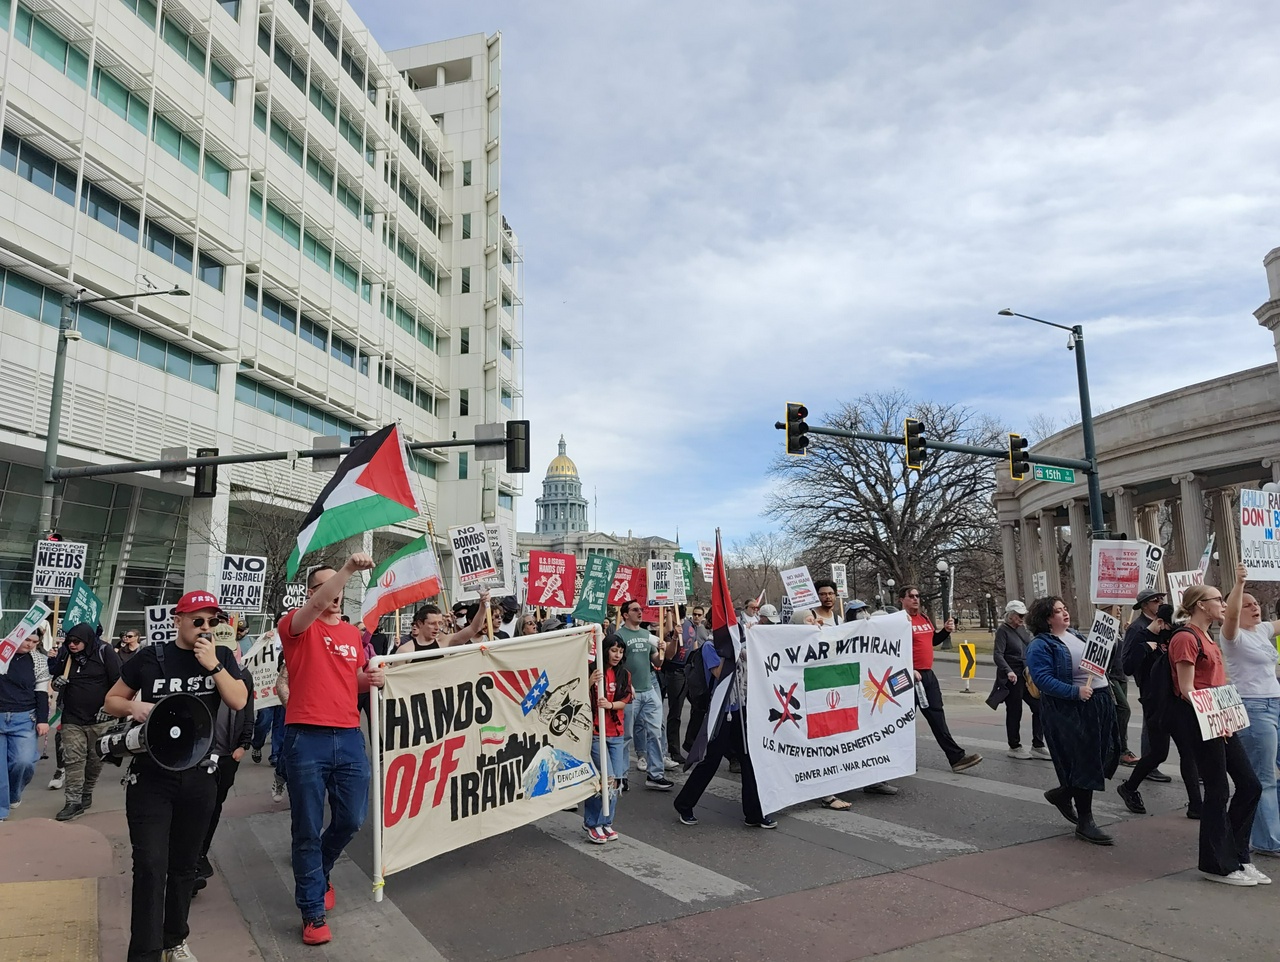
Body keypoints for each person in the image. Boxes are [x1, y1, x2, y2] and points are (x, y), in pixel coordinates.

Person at [104, 589, 248, 962]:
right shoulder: (152, 657)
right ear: (178, 620)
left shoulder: (222, 657)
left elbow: (238, 700)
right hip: (152, 775)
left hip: (199, 774)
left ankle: (174, 941)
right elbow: (111, 700)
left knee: (185, 864)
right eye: (197, 620)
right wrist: (135, 706)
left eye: (212, 622)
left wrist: (214, 665)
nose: (205, 627)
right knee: (151, 864)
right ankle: (145, 952)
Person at [277, 555, 386, 945]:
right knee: (306, 827)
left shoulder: (352, 636)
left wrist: (369, 677)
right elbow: (317, 606)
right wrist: (347, 570)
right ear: (311, 593)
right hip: (306, 738)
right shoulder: (294, 625)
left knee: (352, 820)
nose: (335, 595)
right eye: (328, 588)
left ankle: (319, 870)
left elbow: (350, 681)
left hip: (349, 737)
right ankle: (312, 911)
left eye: (340, 590)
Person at [1167, 583, 1265, 885]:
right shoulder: (1185, 638)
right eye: (1217, 599)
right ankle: (1216, 864)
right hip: (1201, 720)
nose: (1223, 604)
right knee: (1218, 790)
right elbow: (1186, 689)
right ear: (1200, 605)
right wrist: (1214, 716)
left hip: (1220, 717)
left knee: (1250, 785)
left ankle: (1236, 855)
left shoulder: (1207, 637)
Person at [1025, 596, 1121, 846]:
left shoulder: (1076, 635)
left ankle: (1062, 793)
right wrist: (1074, 692)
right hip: (1071, 708)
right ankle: (1085, 821)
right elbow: (1043, 679)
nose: (1065, 613)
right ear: (1046, 618)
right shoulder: (1041, 645)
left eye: (1065, 608)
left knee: (1106, 755)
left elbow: (1101, 662)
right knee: (1084, 761)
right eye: (1058, 611)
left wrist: (1112, 636)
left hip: (1099, 700)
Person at [674, 623, 774, 828]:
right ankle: (684, 804)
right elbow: (719, 673)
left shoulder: (741, 646)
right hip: (720, 710)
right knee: (711, 760)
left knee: (749, 759)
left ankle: (754, 813)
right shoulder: (711, 647)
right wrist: (732, 654)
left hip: (741, 708)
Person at [1116, 602, 1203, 819]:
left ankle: (1196, 805)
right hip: (1155, 702)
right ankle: (1129, 787)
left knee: (1188, 751)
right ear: (1160, 622)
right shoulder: (1138, 633)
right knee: (1157, 754)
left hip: (1177, 701)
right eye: (1169, 626)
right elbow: (1127, 667)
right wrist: (1146, 645)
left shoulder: (1176, 635)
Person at [1221, 563, 1280, 857]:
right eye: (1247, 605)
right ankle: (1267, 841)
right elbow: (1230, 615)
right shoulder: (1233, 637)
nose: (1254, 607)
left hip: (1276, 703)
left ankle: (1275, 830)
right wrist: (1239, 583)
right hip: (1254, 709)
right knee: (1264, 776)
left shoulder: (1261, 631)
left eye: (1256, 603)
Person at [901, 585, 982, 773]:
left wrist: (945, 631)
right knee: (904, 721)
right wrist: (908, 668)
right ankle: (901, 759)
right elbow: (893, 649)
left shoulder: (924, 618)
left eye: (917, 596)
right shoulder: (900, 621)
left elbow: (932, 641)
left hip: (927, 676)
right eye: (911, 596)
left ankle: (956, 758)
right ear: (902, 600)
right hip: (908, 676)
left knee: (938, 718)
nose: (915, 599)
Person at [192, 662, 255, 897]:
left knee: (214, 806)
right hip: (198, 755)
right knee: (199, 807)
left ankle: (199, 854)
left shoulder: (242, 674)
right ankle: (192, 863)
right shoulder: (194, 669)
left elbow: (247, 708)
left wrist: (244, 744)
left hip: (228, 755)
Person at [49, 623, 121, 821]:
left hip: (101, 719)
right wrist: (57, 683)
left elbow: (120, 682)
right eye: (69, 641)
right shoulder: (66, 655)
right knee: (73, 759)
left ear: (87, 641)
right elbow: (55, 679)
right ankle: (72, 801)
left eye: (76, 641)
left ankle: (87, 791)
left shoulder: (104, 652)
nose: (72, 645)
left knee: (95, 759)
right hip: (72, 717)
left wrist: (110, 708)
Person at [616, 600, 672, 791]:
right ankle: (621, 776)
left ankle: (655, 774)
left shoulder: (647, 635)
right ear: (625, 614)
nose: (640, 612)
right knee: (625, 737)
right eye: (635, 610)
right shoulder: (619, 635)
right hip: (628, 693)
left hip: (649, 690)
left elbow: (658, 660)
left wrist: (666, 647)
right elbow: (615, 664)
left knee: (655, 733)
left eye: (641, 609)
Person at [583, 634, 633, 842]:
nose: (617, 655)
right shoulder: (593, 670)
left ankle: (606, 822)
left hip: (616, 734)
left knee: (615, 781)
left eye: (620, 651)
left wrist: (610, 706)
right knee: (606, 779)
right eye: (613, 650)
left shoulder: (624, 674)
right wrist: (589, 682)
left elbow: (626, 699)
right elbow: (577, 694)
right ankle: (592, 822)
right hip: (596, 733)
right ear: (605, 651)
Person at [1120, 589, 1173, 781]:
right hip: (1150, 683)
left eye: (1161, 600)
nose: (1160, 602)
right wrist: (1145, 648)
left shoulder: (1165, 624)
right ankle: (1149, 765)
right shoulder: (1137, 627)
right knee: (1152, 726)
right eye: (1155, 600)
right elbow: (1127, 662)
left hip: (1167, 682)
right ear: (1144, 605)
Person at [0, 629, 50, 821]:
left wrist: (43, 720)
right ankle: (1, 811)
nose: (29, 644)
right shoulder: (2, 653)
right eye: (26, 639)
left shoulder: (38, 661)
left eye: (34, 641)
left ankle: (14, 794)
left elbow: (42, 692)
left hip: (24, 718)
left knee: (24, 762)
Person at [993, 601, 1047, 760]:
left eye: (1023, 615)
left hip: (1026, 674)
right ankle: (1014, 745)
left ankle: (1038, 744)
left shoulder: (1023, 630)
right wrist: (1008, 671)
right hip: (1013, 675)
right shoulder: (1003, 631)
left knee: (1040, 706)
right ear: (1010, 616)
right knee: (1015, 711)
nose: (1022, 618)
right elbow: (998, 654)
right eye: (1019, 615)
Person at [666, 606, 703, 765]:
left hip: (689, 670)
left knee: (700, 706)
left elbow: (694, 646)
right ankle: (674, 750)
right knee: (676, 712)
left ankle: (690, 741)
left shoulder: (689, 625)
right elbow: (669, 654)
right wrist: (674, 635)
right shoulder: (669, 629)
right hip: (675, 672)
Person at [396, 596, 490, 654]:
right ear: (420, 623)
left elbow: (474, 628)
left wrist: (483, 605)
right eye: (432, 623)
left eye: (440, 623)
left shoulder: (444, 642)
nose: (437, 627)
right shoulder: (405, 651)